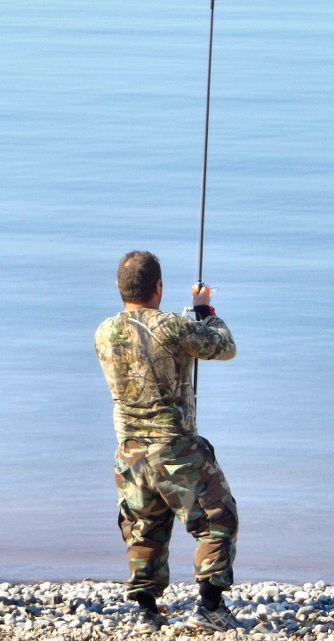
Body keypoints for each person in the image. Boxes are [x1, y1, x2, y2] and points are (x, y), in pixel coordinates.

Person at [94, 250, 239, 633]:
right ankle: (209, 607)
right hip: (174, 447)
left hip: (129, 451)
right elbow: (224, 346)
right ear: (158, 287)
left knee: (144, 528)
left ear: (119, 287)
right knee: (217, 520)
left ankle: (146, 610)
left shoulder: (104, 331)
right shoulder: (173, 327)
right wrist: (205, 310)